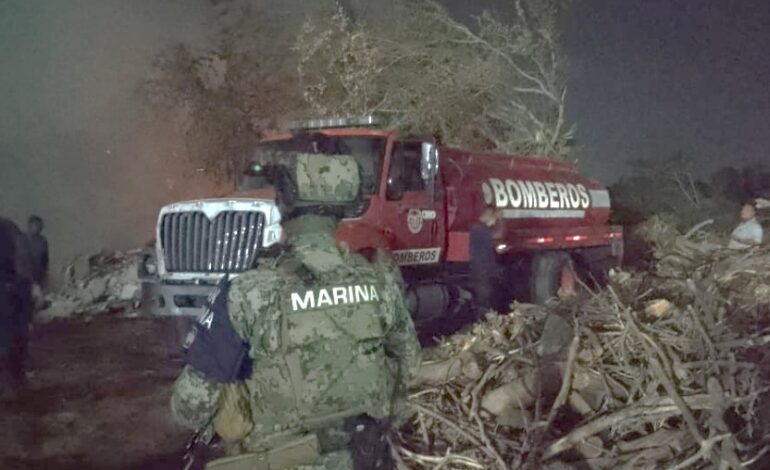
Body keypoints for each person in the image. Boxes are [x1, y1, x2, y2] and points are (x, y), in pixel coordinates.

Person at [170, 153, 421, 469]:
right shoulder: (379, 278)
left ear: (284, 208)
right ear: (341, 211)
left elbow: (190, 407)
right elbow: (409, 368)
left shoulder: (248, 291)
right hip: (362, 458)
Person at [0, 217, 34, 397]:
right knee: (15, 340)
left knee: (12, 340)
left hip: (9, 294)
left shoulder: (7, 229)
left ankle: (13, 382)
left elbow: (22, 266)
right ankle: (15, 382)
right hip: (11, 294)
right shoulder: (10, 229)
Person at [469, 205, 501, 315]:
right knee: (484, 296)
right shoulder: (482, 231)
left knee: (482, 294)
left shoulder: (475, 229)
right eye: (495, 218)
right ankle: (483, 319)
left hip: (478, 268)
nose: (494, 222)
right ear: (489, 215)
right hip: (483, 269)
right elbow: (486, 253)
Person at [25, 215, 49, 289]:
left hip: (38, 275)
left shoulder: (43, 241)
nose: (39, 227)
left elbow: (45, 259)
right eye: (36, 225)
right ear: (30, 225)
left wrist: (44, 274)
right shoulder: (22, 239)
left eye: (40, 225)